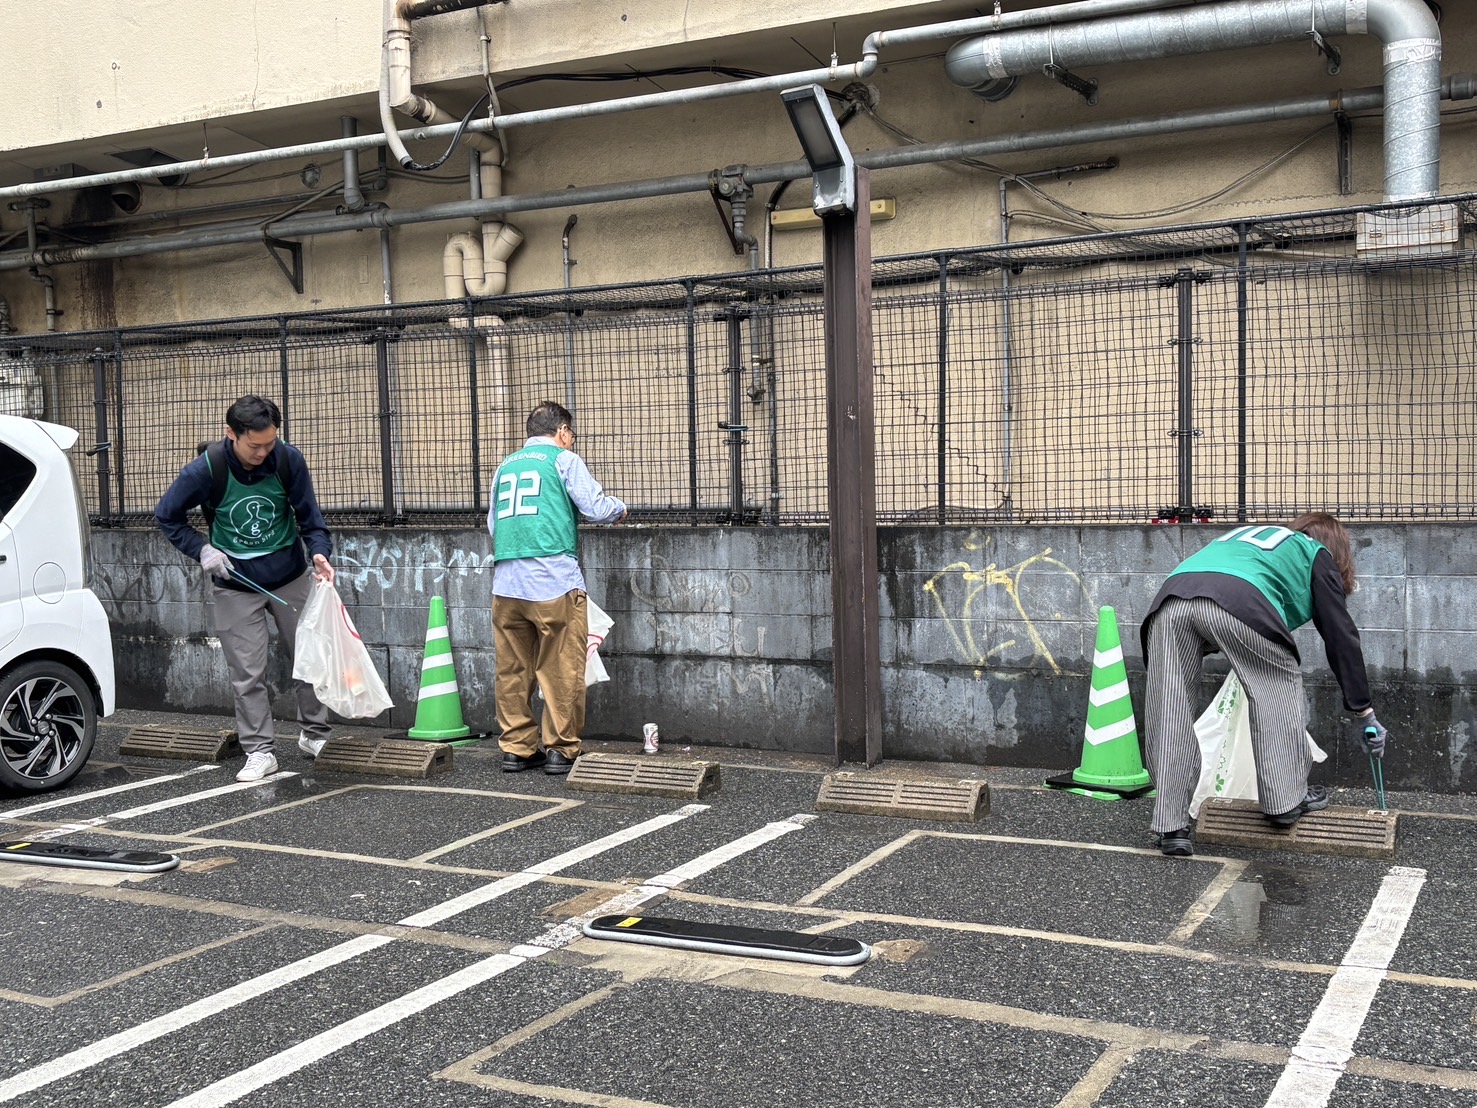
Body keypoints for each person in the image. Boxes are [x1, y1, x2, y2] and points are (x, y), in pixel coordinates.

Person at [1140, 512, 1388, 857]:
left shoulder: (1254, 538)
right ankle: (1285, 801)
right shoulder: (1317, 553)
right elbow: (1340, 636)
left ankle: (1172, 826)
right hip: (1240, 601)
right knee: (1276, 686)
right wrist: (1364, 711)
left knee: (1170, 707)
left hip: (1169, 603)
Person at [156, 395, 337, 782]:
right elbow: (167, 515)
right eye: (254, 445)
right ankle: (260, 752)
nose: (263, 452)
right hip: (235, 584)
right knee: (247, 672)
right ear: (231, 434)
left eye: (270, 442)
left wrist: (319, 553)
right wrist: (202, 549)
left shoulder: (288, 460)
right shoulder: (207, 469)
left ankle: (315, 734)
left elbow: (311, 518)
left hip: (290, 577)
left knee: (310, 657)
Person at [488, 401, 626, 775]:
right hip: (554, 582)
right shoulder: (564, 460)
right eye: (571, 434)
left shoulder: (505, 466)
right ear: (562, 431)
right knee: (561, 668)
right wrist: (620, 508)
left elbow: (494, 525)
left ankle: (516, 749)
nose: (571, 440)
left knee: (512, 671)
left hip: (506, 585)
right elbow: (595, 508)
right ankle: (561, 750)